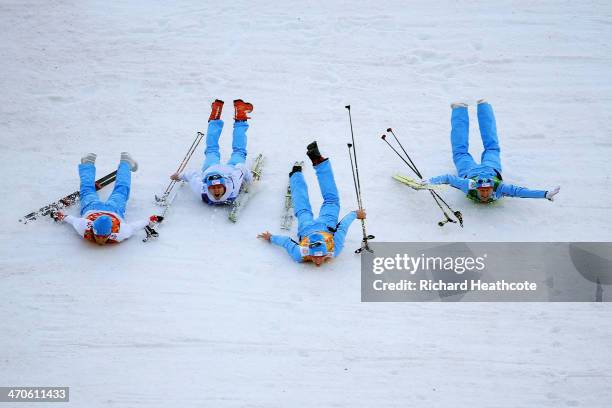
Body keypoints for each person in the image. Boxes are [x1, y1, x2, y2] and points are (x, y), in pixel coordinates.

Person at [427, 100, 560, 203]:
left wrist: (545, 194)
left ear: (492, 188)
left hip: (468, 171)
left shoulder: (491, 187)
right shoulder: (472, 185)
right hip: (490, 167)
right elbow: (447, 178)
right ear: (477, 188)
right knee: (491, 147)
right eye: (482, 191)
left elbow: (521, 192)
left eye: (486, 191)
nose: (485, 194)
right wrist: (430, 181)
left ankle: (461, 109)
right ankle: (480, 106)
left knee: (460, 153)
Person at [258, 142, 366, 266]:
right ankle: (317, 163)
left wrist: (271, 237)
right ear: (309, 251)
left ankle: (296, 174)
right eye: (316, 257)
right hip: (326, 225)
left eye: (320, 257)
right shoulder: (333, 250)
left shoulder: (301, 254)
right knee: (329, 201)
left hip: (307, 228)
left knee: (304, 208)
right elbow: (342, 228)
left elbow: (287, 242)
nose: (318, 261)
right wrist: (355, 214)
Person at [55, 153, 156, 245]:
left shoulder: (84, 226)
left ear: (110, 232)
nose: (101, 240)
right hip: (113, 209)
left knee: (88, 190)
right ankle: (125, 163)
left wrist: (62, 216)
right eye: (98, 236)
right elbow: (134, 227)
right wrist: (150, 220)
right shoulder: (120, 232)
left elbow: (72, 220)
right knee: (121, 190)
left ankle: (88, 164)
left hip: (93, 207)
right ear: (92, 228)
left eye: (103, 236)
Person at [171, 99, 254, 205]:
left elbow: (192, 175)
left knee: (212, 150)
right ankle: (240, 115)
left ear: (224, 185)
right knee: (239, 152)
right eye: (213, 187)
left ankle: (216, 114)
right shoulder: (232, 184)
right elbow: (241, 168)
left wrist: (179, 176)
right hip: (229, 170)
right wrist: (249, 181)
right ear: (208, 187)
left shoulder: (204, 190)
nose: (216, 191)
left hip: (212, 168)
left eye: (218, 187)